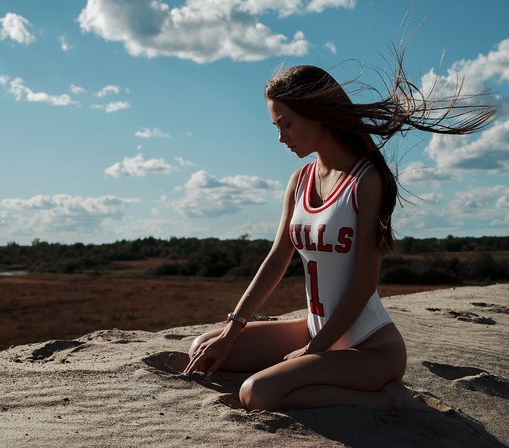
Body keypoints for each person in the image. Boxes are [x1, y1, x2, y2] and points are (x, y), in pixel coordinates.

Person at [182, 52, 495, 412]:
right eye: (276, 127)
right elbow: (276, 258)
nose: (281, 138)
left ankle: (385, 400)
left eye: (286, 124)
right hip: (316, 330)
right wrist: (231, 330)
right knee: (203, 350)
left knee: (257, 394)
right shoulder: (300, 180)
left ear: (318, 116)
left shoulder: (365, 181)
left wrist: (313, 353)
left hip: (368, 347)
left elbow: (364, 282)